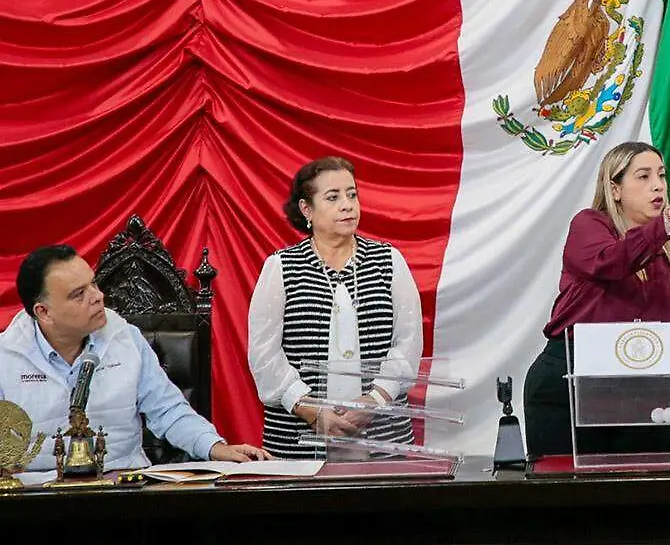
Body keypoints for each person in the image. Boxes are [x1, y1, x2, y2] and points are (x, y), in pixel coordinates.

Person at [0, 245, 268, 471]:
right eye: (79, 294)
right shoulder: (6, 357)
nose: (98, 296)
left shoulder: (125, 338)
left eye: (93, 283)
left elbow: (168, 410)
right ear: (43, 312)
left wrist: (214, 447)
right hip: (36, 496)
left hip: (122, 487)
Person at [523, 141, 670, 457]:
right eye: (643, 176)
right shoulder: (589, 226)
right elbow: (613, 262)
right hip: (569, 387)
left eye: (662, 175)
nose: (658, 185)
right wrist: (667, 221)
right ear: (615, 190)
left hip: (646, 395)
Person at [248, 156, 423, 459]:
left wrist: (376, 399)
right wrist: (310, 410)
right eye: (333, 197)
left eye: (352, 194)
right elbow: (264, 355)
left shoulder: (388, 261)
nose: (347, 205)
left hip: (383, 440)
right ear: (307, 209)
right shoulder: (281, 267)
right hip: (298, 443)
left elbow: (408, 343)